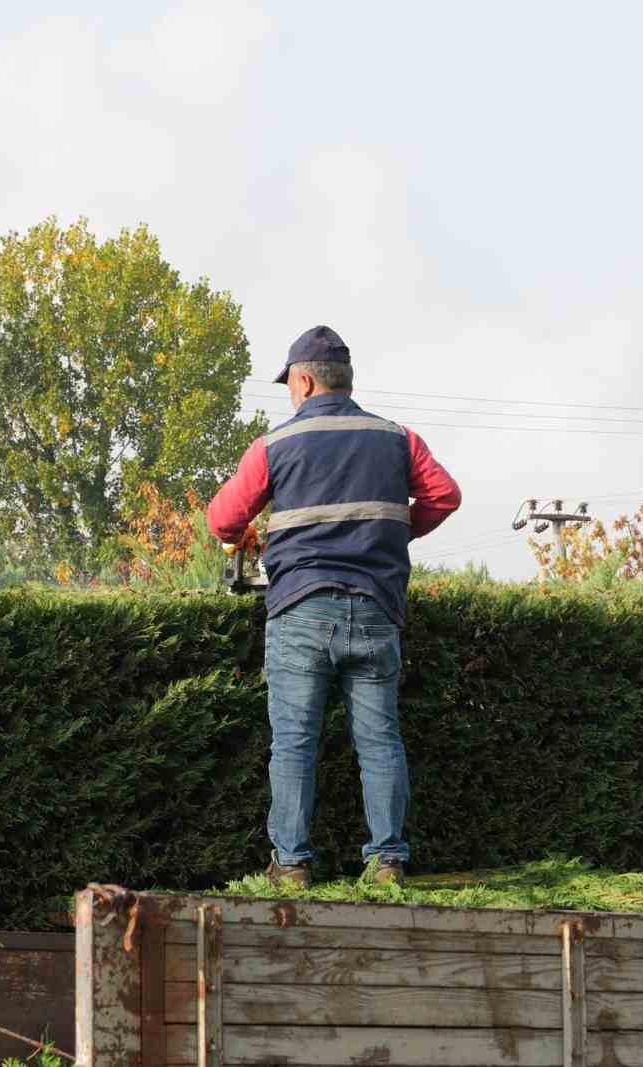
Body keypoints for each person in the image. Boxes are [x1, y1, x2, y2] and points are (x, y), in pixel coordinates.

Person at [207, 325, 461, 889]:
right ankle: (388, 862)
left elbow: (222, 520)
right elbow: (445, 495)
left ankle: (292, 866)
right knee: (380, 739)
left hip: (300, 608)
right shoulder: (398, 438)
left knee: (295, 742)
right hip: (376, 608)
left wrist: (261, 534)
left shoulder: (274, 446)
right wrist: (390, 532)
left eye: (290, 387)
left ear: (303, 380)